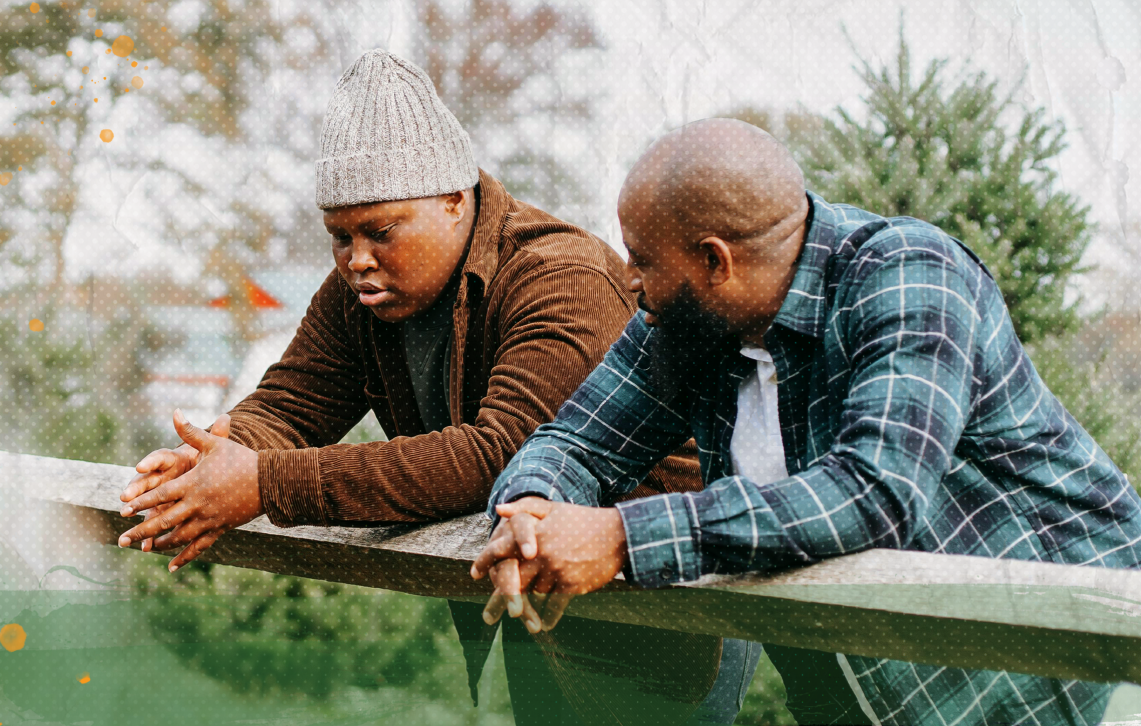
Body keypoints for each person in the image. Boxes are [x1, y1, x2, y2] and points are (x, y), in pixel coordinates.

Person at [114, 49, 759, 724]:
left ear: (455, 199)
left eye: (381, 232)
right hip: (539, 592)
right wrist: (216, 456)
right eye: (339, 236)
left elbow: (502, 456)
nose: (357, 258)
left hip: (662, 605)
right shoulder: (360, 293)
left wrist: (265, 483)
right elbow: (292, 403)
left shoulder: (560, 277)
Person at [473, 117, 1141, 725]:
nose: (629, 279)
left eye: (642, 258)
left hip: (1079, 674)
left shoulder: (909, 276)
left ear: (714, 261)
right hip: (863, 692)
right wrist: (533, 512)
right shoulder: (689, 324)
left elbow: (875, 493)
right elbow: (574, 441)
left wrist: (623, 538)